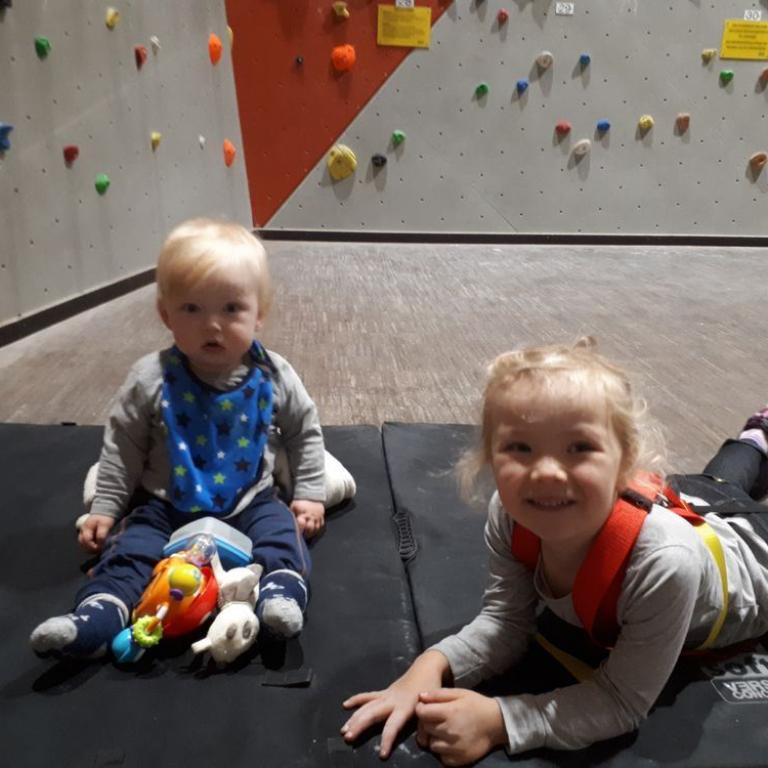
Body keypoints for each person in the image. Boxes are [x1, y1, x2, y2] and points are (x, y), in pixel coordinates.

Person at [341, 339, 768, 764]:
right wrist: (431, 666)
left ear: (626, 464)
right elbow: (505, 623)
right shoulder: (511, 516)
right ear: (491, 457)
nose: (546, 472)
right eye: (520, 447)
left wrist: (501, 721)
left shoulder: (664, 563)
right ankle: (756, 436)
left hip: (754, 563)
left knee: (726, 494)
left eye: (579, 448)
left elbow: (621, 701)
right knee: (719, 486)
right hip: (698, 511)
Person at [30, 218, 326, 658]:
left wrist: (310, 494)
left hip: (251, 498)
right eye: (192, 309)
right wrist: (105, 508)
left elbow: (304, 431)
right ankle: (98, 615)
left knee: (283, 535)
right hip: (166, 504)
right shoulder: (151, 378)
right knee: (129, 548)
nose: (212, 325)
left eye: (231, 309)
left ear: (259, 314)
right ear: (165, 314)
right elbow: (122, 447)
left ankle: (278, 596)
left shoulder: (274, 374)